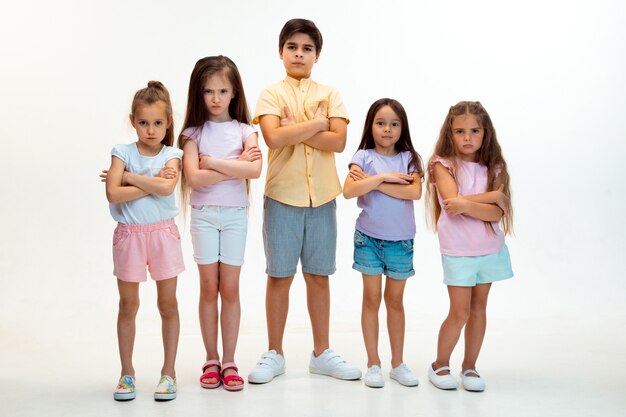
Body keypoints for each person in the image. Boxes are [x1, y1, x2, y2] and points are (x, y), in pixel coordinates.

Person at [248, 18, 361, 383]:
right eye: (292, 47)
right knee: (279, 276)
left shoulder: (331, 94)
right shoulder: (270, 94)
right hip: (282, 197)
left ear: (317, 55)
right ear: (280, 52)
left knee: (318, 276)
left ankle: (321, 352)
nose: (299, 54)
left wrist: (293, 128)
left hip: (323, 199)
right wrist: (317, 125)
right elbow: (273, 139)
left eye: (307, 48)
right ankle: (275, 353)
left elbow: (339, 142)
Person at [178, 56, 261, 392]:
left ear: (234, 93)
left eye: (222, 90)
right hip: (204, 216)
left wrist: (211, 162)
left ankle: (229, 360)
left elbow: (254, 171)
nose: (215, 98)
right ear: (199, 95)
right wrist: (231, 164)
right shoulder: (192, 133)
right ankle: (210, 357)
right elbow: (194, 179)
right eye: (208, 91)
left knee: (230, 288)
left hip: (234, 217)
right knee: (208, 288)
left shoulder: (245, 131)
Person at [102, 81, 184, 401]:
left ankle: (169, 372)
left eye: (158, 123)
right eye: (144, 122)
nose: (151, 130)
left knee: (167, 304)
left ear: (167, 123)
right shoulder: (121, 152)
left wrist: (129, 177)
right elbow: (112, 193)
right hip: (129, 236)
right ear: (133, 120)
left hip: (163, 234)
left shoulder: (172, 154)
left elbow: (167, 190)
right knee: (128, 305)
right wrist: (149, 181)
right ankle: (127, 373)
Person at [426, 101, 513, 392]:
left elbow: (497, 214)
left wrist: (468, 202)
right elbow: (452, 205)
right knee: (459, 311)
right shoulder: (443, 164)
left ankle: (470, 366)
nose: (467, 137)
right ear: (449, 134)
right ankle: (439, 364)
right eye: (460, 131)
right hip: (459, 251)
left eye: (474, 131)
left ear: (485, 133)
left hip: (489, 249)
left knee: (478, 310)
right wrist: (489, 198)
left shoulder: (495, 167)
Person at [343, 98, 423, 388]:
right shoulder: (363, 156)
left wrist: (374, 181)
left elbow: (414, 194)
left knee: (395, 301)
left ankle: (398, 363)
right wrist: (388, 177)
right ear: (371, 126)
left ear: (402, 128)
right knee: (372, 299)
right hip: (368, 238)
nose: (387, 129)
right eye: (380, 123)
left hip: (400, 242)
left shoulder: (410, 158)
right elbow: (350, 190)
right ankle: (373, 362)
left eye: (394, 124)